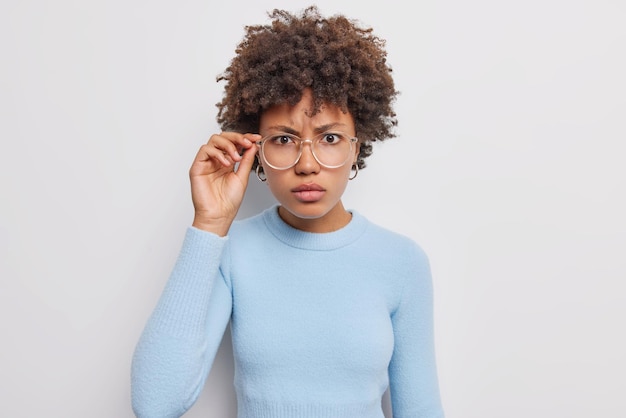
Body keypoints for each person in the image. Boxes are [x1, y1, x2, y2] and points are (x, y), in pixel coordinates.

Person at [131, 5, 445, 418]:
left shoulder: (402, 262)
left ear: (357, 145)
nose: (307, 163)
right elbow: (155, 404)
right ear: (255, 149)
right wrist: (209, 225)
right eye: (283, 139)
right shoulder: (233, 249)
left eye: (329, 137)